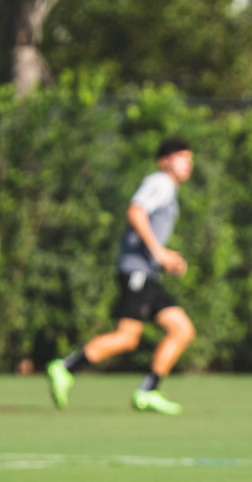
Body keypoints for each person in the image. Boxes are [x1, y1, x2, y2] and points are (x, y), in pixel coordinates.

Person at [46, 137, 196, 415]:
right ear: (165, 161)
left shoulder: (169, 189)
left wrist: (165, 257)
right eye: (181, 156)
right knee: (127, 336)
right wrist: (159, 253)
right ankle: (66, 368)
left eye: (189, 157)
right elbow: (135, 212)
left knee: (181, 329)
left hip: (148, 273)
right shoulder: (160, 182)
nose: (188, 162)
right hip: (137, 271)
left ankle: (148, 391)